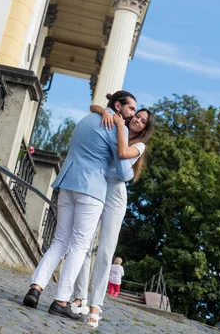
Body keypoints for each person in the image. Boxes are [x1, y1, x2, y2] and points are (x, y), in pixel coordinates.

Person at [22, 90, 137, 320]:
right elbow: (124, 172)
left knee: (60, 241)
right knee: (79, 245)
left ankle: (35, 287)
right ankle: (61, 300)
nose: (132, 114)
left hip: (68, 182)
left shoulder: (88, 118)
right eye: (131, 108)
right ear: (118, 106)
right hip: (92, 189)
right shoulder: (118, 128)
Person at [72, 100, 155, 328]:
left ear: (145, 129)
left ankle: (96, 305)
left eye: (143, 121)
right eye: (136, 115)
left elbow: (121, 165)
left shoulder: (138, 146)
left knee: (106, 251)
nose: (137, 119)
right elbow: (94, 107)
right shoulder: (117, 126)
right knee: (84, 242)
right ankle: (80, 297)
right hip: (96, 187)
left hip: (115, 197)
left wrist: (120, 127)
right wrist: (101, 110)